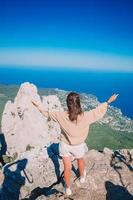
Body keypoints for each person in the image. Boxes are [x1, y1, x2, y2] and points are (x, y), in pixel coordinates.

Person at [32, 92, 118, 196]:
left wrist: (37, 105)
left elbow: (47, 112)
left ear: (68, 104)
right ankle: (82, 177)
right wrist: (108, 101)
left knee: (67, 167)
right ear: (79, 104)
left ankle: (68, 188)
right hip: (78, 146)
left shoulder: (61, 116)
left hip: (64, 146)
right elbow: (98, 111)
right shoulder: (86, 116)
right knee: (80, 160)